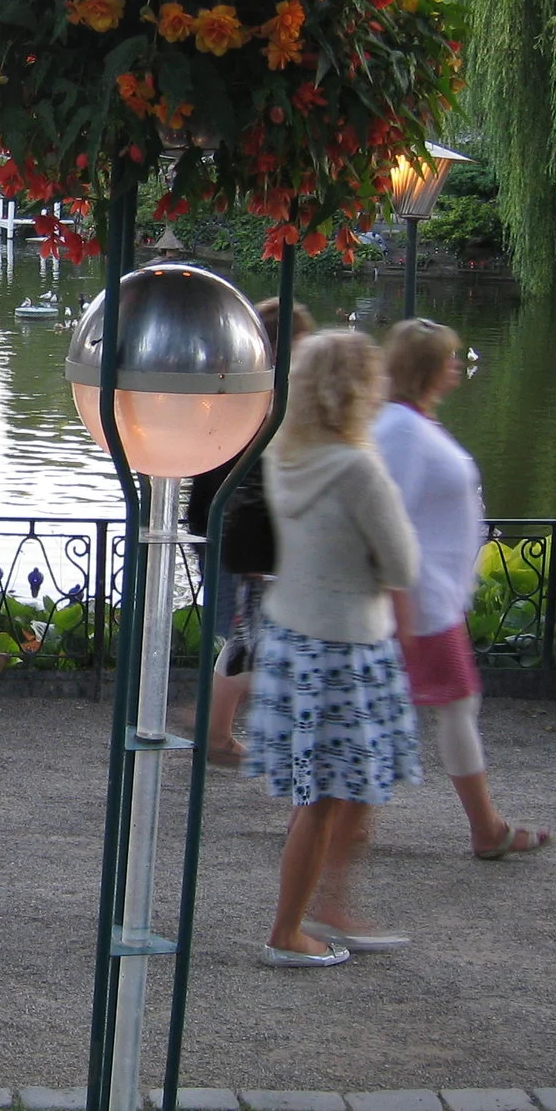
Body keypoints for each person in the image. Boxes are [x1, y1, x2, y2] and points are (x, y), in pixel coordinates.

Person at [244, 329, 421, 968]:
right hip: (346, 645)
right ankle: (288, 932)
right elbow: (401, 564)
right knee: (324, 799)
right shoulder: (358, 469)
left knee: (321, 795)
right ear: (358, 389)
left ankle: (320, 909)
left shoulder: (281, 457)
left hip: (292, 639)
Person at [375, 319, 551, 861]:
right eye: (448, 357)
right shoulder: (401, 430)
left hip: (434, 596)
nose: (457, 365)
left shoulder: (413, 424)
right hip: (420, 600)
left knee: (397, 707)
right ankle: (486, 828)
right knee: (451, 703)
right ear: (427, 368)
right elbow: (388, 517)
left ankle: (326, 820)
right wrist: (399, 605)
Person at [184, 299, 318, 767]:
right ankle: (227, 729)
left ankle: (216, 728)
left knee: (246, 637)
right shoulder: (266, 399)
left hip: (229, 530)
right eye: (301, 343)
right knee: (256, 639)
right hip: (243, 538)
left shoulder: (237, 389)